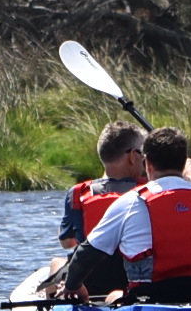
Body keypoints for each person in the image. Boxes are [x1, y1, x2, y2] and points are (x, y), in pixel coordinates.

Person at [68, 126, 191, 303]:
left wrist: (73, 285)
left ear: (147, 163)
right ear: (183, 163)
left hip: (150, 299)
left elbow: (87, 253)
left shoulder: (131, 201)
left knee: (114, 295)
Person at [37, 122, 149, 297]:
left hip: (87, 281)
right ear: (133, 156)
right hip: (134, 277)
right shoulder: (151, 190)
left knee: (57, 262)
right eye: (143, 154)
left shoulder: (78, 193)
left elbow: (67, 242)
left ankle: (56, 305)